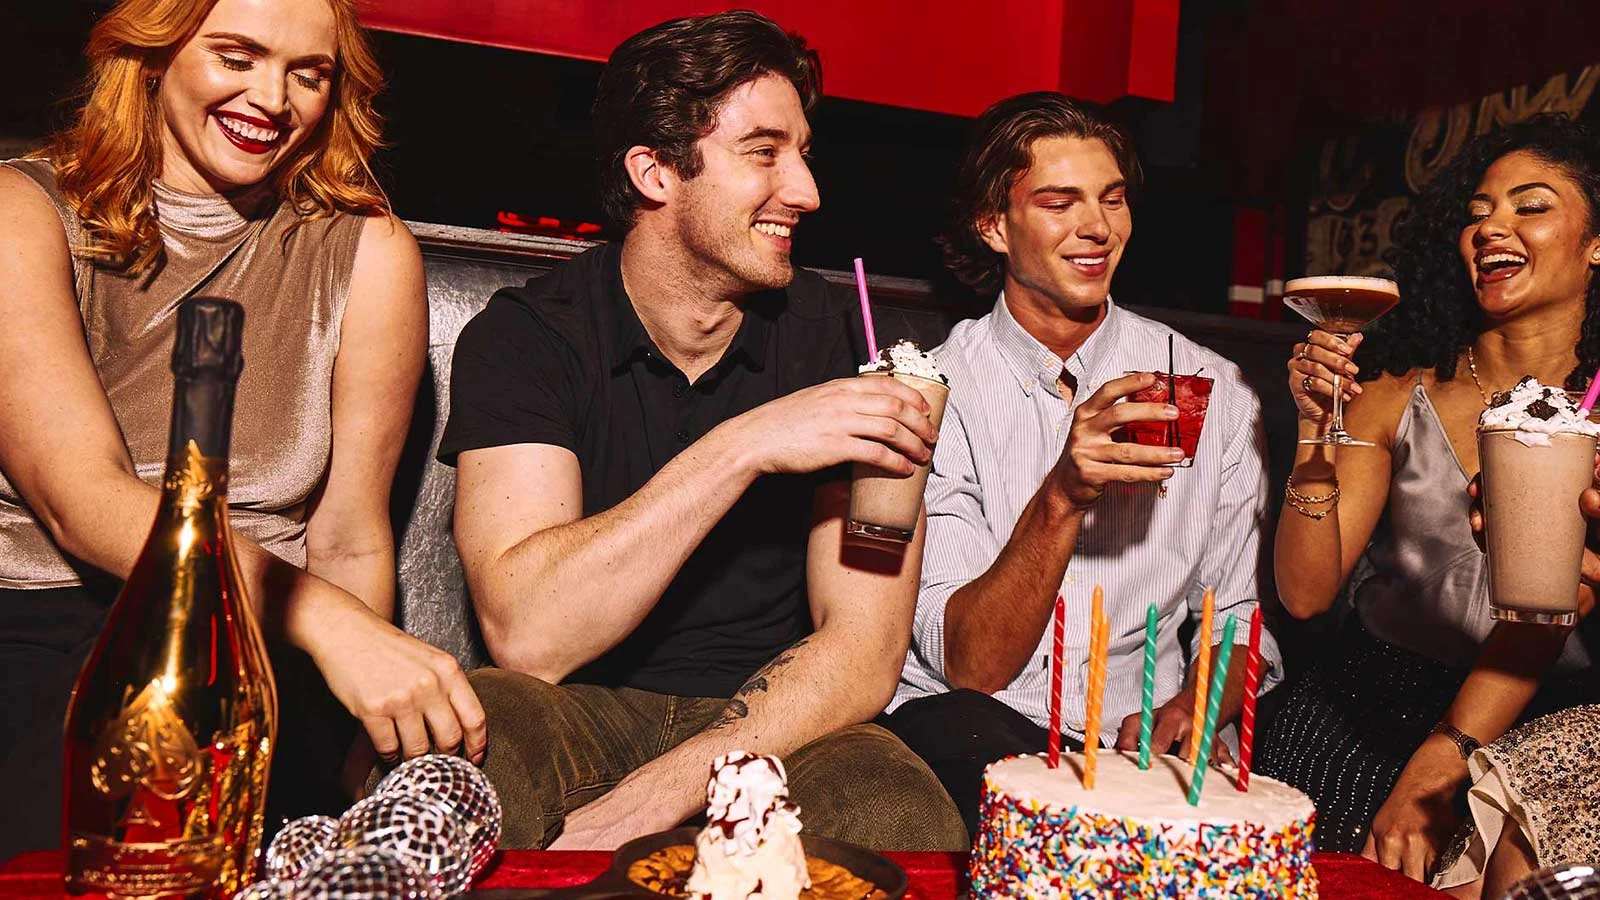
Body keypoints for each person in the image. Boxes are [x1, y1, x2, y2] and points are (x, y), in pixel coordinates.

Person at [439, 11, 965, 851]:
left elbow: (863, 645)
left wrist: (672, 788)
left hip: (780, 715)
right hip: (577, 704)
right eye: (764, 152)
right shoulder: (528, 337)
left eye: (803, 152)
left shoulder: (839, 339)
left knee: (898, 815)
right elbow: (530, 635)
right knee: (463, 757)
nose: (806, 191)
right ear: (653, 171)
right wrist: (745, 445)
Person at [0, 0, 484, 858]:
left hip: (261, 648)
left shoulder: (366, 251)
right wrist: (328, 622)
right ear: (156, 55)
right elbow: (82, 500)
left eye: (308, 74)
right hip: (55, 627)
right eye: (237, 57)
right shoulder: (22, 211)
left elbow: (348, 535)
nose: (273, 99)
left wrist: (356, 724)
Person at [880, 91, 1282, 835]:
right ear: (994, 225)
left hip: (1137, 747)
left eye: (1112, 200)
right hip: (978, 731)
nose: (1097, 228)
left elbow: (1235, 617)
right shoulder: (934, 392)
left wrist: (1195, 705)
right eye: (1059, 203)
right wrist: (1064, 493)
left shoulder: (1211, 389)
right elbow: (972, 666)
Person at [1261, 114, 1600, 881]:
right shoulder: (1392, 390)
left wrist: (1444, 760)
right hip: (1364, 709)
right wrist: (1318, 430)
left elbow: (1543, 622)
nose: (1492, 228)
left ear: (1597, 243)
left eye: (1531, 206)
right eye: (1477, 213)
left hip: (1537, 724)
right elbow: (1308, 594)